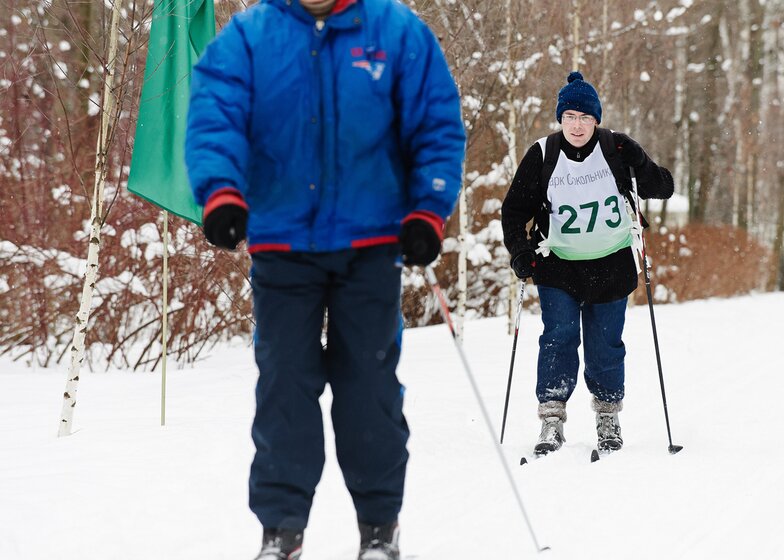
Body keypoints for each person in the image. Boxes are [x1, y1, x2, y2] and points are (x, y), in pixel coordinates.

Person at [184, 0, 465, 558]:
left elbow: (435, 122)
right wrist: (221, 191)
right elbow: (215, 114)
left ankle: (380, 528)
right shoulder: (250, 36)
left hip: (370, 244)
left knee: (369, 387)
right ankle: (281, 530)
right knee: (284, 385)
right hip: (283, 245)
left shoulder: (395, 31)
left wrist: (427, 211)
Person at [501, 71, 673, 457]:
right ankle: (551, 420)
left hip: (611, 265)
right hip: (557, 266)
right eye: (569, 117)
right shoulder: (543, 154)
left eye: (585, 118)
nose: (577, 126)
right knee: (558, 338)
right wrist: (519, 250)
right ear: (560, 119)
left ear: (596, 119)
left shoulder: (616, 148)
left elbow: (662, 187)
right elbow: (514, 210)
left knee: (605, 346)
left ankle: (608, 417)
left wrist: (640, 162)